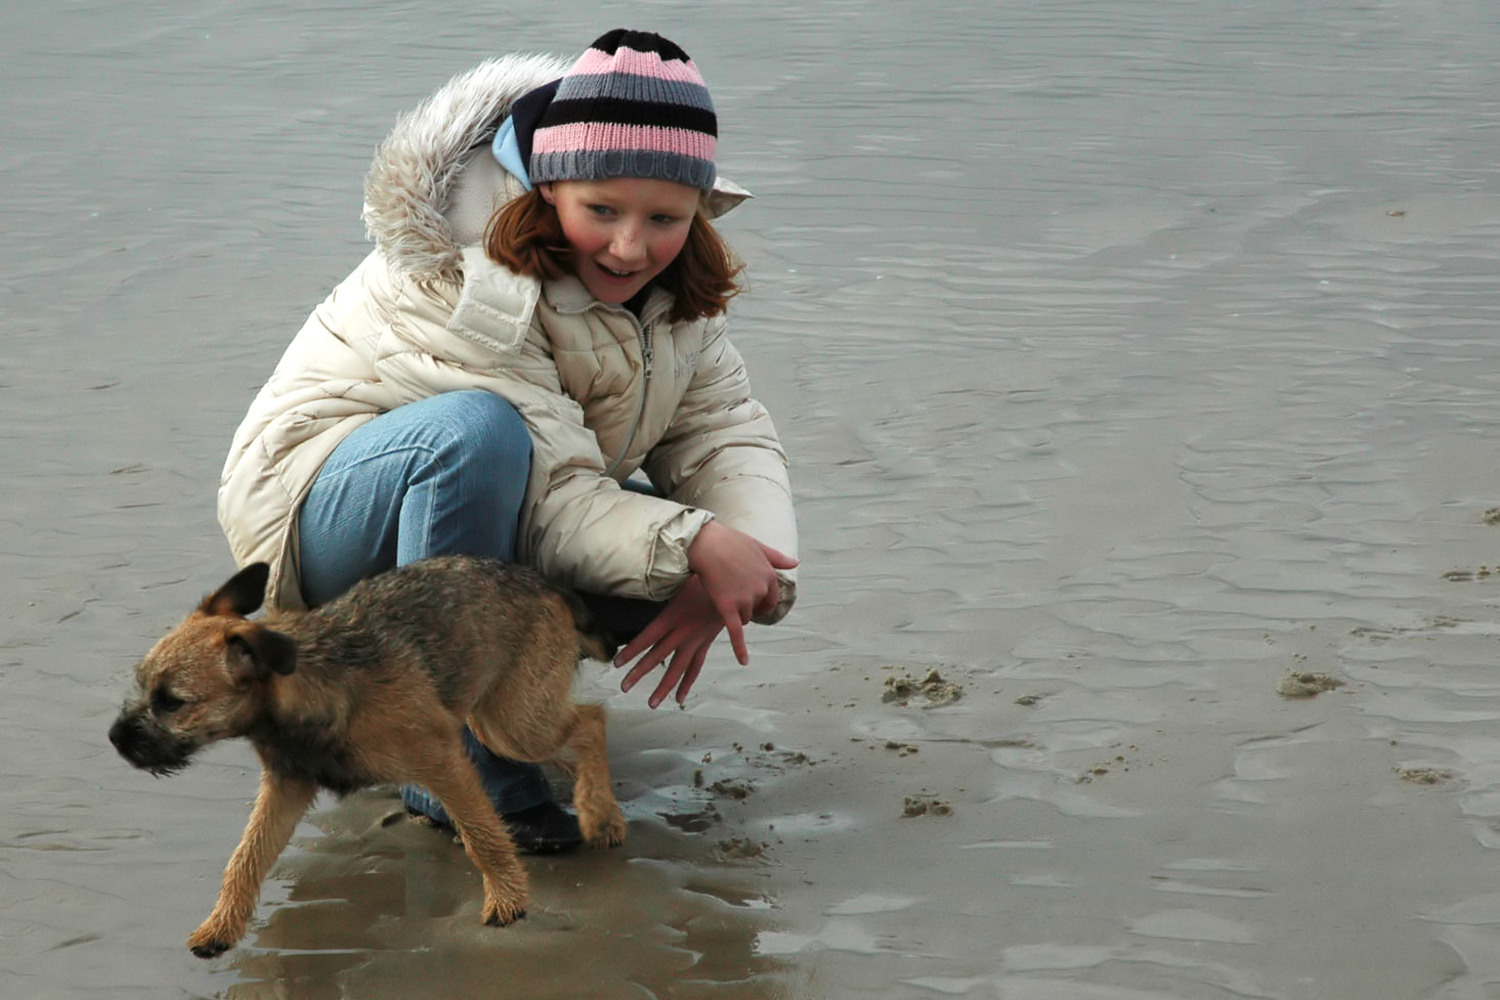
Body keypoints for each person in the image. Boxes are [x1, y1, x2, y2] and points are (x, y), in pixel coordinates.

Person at [216, 29, 798, 854]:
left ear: (697, 210)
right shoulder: (470, 277)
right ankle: (449, 767)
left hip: (504, 501)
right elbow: (553, 494)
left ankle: (506, 714)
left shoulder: (675, 293)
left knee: (691, 555)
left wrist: (746, 568)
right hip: (319, 521)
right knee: (477, 433)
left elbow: (723, 434)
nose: (630, 246)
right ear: (548, 187)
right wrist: (697, 540)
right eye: (602, 210)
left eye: (664, 218)